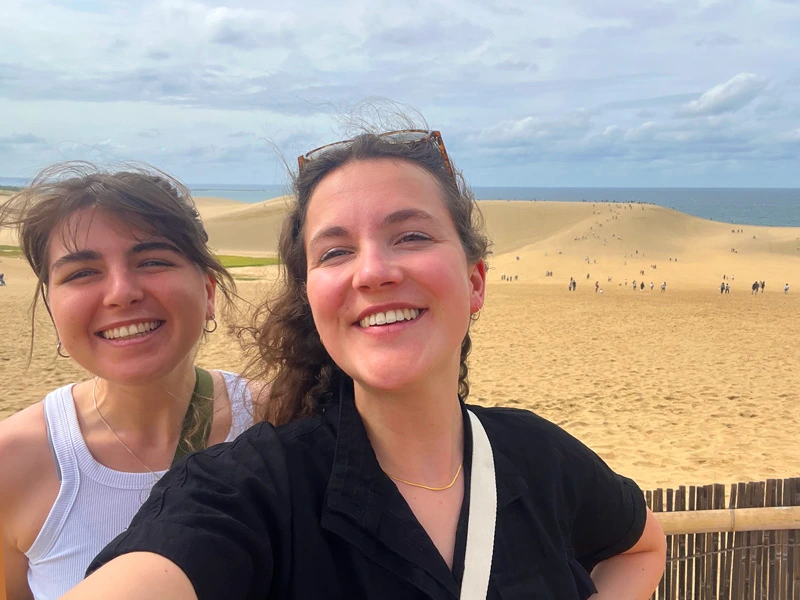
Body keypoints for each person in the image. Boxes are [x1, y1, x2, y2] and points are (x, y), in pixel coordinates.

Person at [67, 129, 665, 599]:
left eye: (410, 236)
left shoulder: (540, 456)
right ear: (313, 297)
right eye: (335, 251)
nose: (373, 271)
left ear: (475, 281)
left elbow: (641, 549)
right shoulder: (252, 492)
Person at [0, 163, 258, 600]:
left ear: (209, 292)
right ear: (51, 307)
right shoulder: (12, 462)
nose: (121, 292)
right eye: (81, 273)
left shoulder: (286, 421)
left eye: (153, 261)